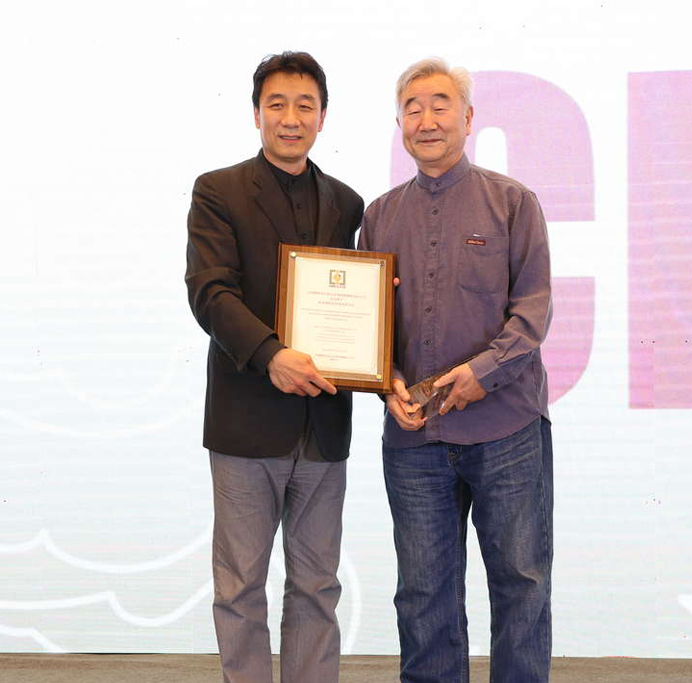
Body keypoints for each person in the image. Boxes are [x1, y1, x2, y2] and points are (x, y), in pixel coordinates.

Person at [358, 57, 554, 683]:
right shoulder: (378, 217)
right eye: (412, 108)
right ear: (400, 125)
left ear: (468, 119)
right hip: (414, 439)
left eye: (440, 105)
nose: (427, 119)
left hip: (506, 430)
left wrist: (482, 373)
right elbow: (368, 324)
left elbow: (532, 311)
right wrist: (384, 380)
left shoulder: (513, 203)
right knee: (422, 596)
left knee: (521, 585)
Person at [185, 51, 363, 683]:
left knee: (318, 587)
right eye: (277, 104)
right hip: (246, 424)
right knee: (239, 588)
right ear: (257, 113)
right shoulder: (219, 191)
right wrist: (271, 356)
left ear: (323, 117)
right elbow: (210, 292)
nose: (291, 118)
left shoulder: (349, 204)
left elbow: (360, 306)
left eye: (305, 106)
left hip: (324, 426)